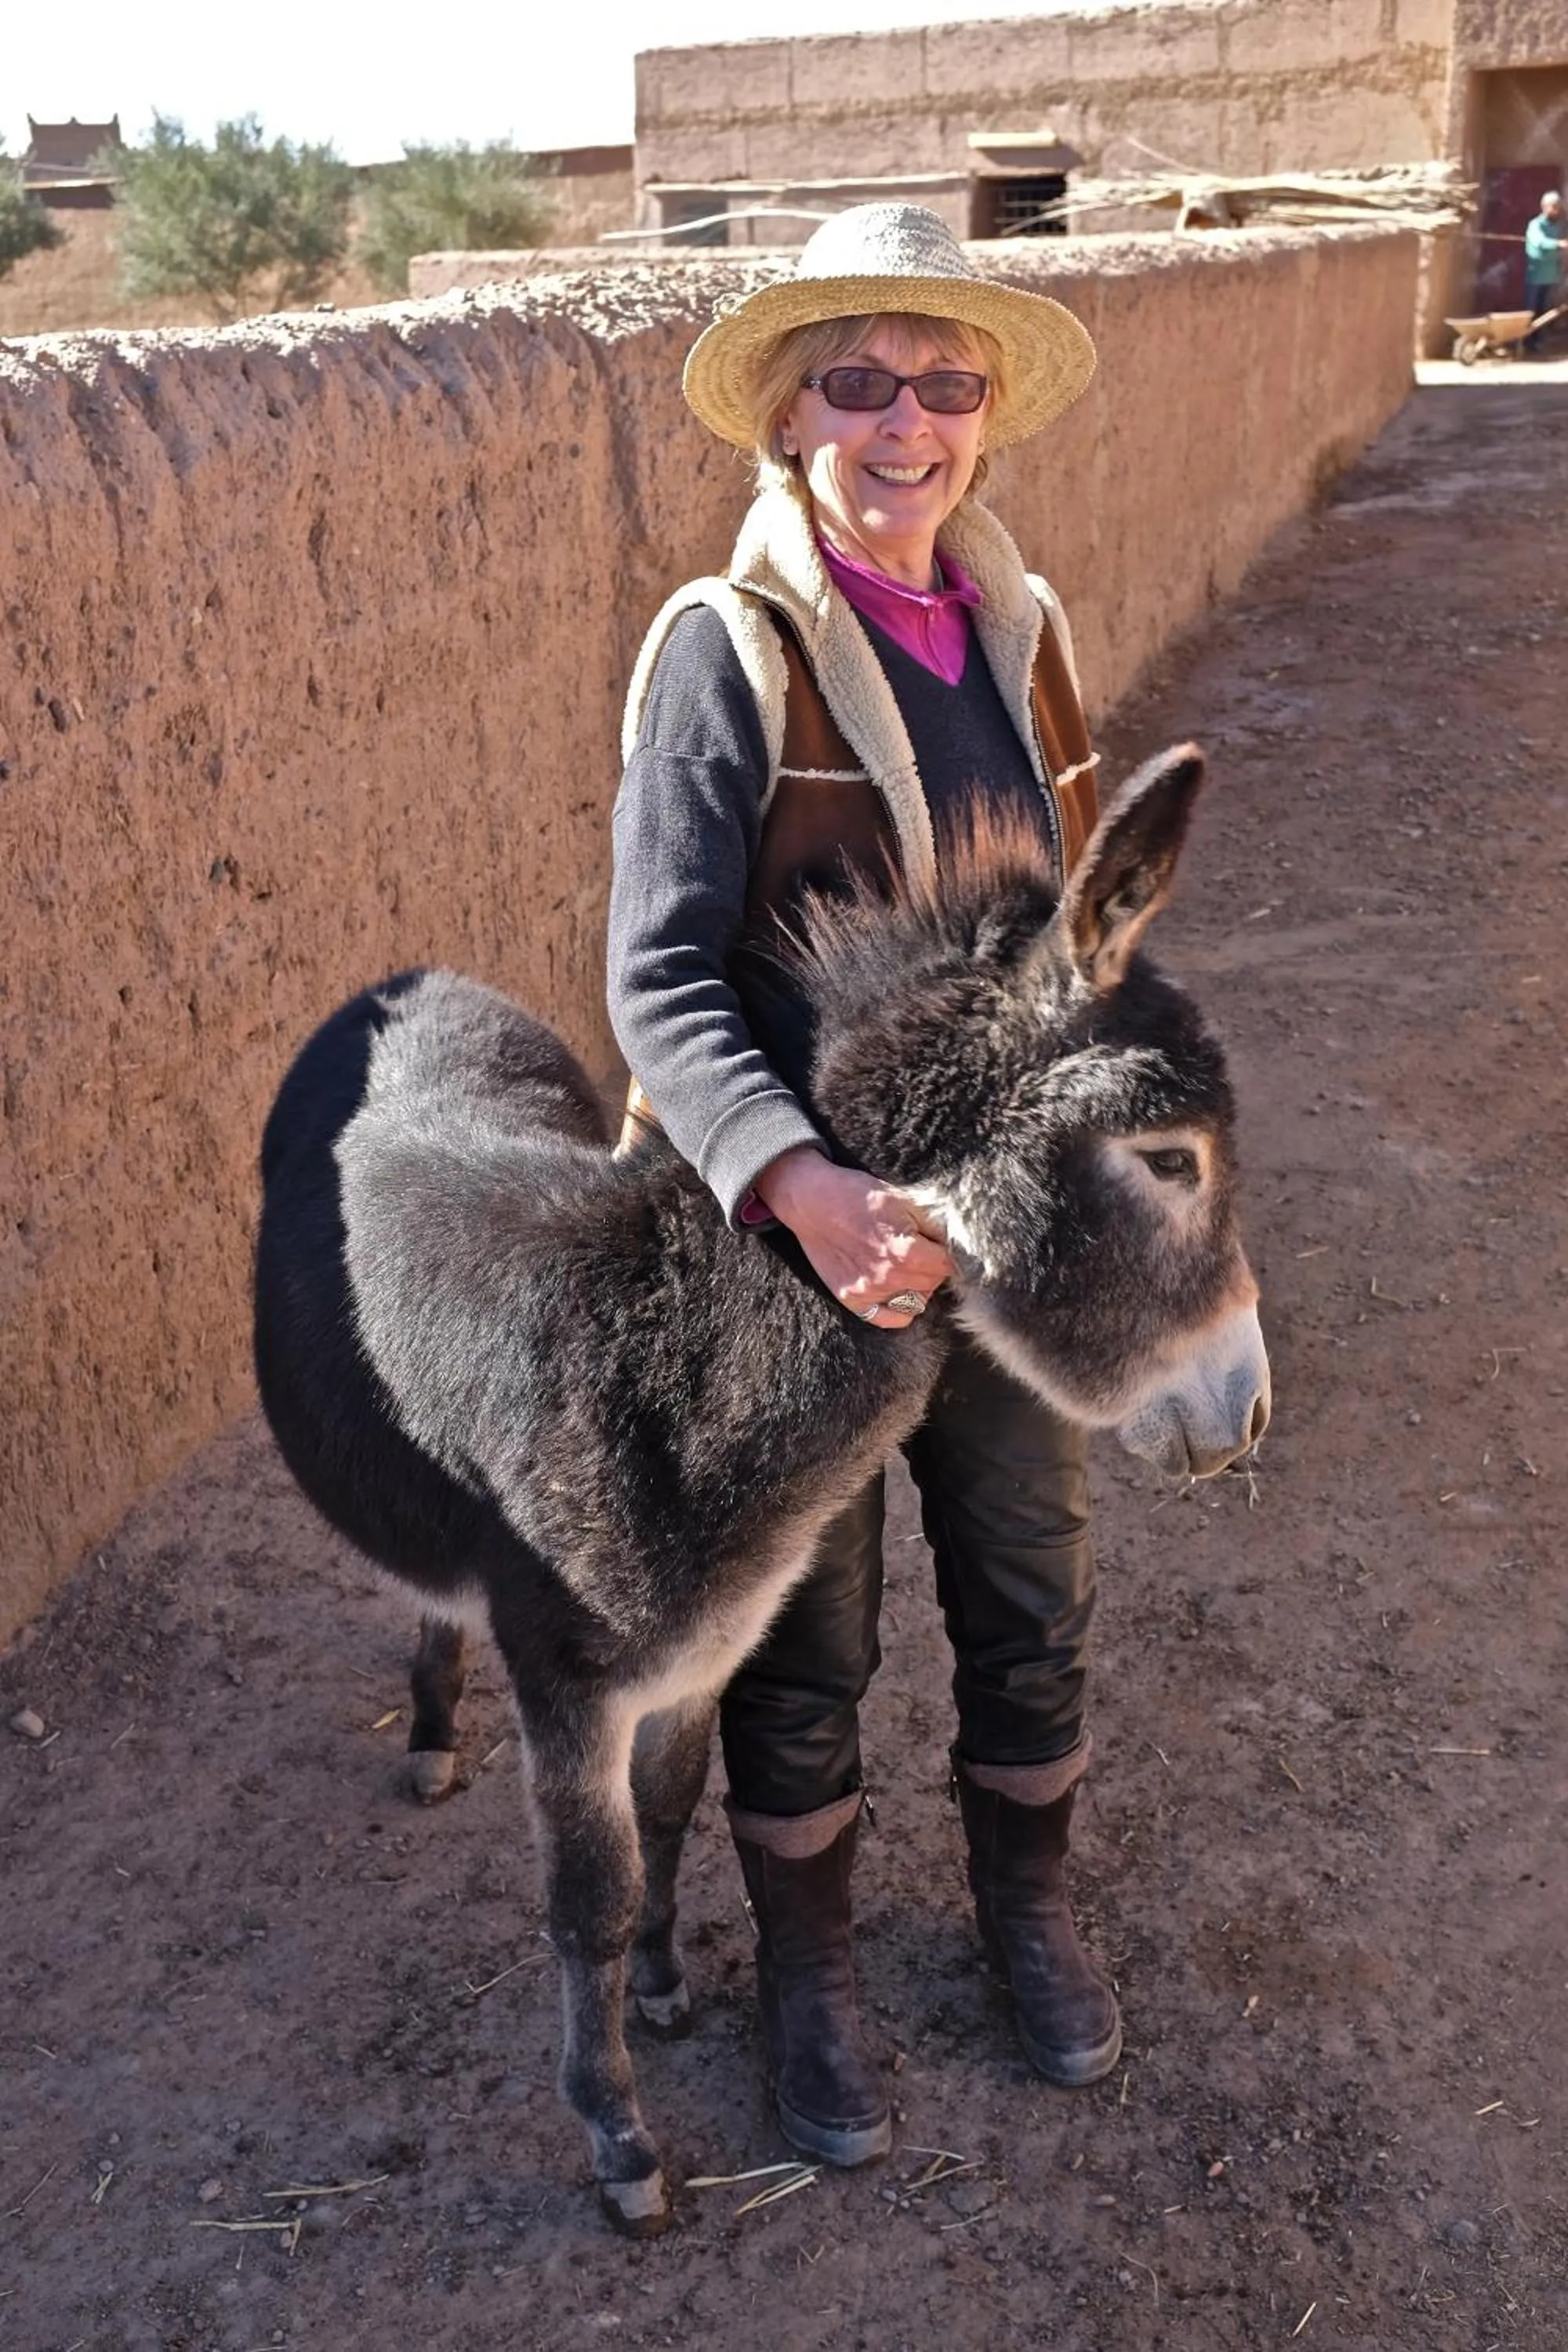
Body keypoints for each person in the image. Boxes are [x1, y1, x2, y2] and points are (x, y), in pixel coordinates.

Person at [608, 204, 1118, 2169]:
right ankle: (805, 1973)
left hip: (992, 1239)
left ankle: (1024, 1911)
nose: (902, 421)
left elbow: (1068, 930)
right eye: (857, 381)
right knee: (805, 1642)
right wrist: (804, 1186)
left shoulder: (1022, 630)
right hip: (792, 1251)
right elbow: (655, 977)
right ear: (789, 417)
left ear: (982, 418)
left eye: (942, 381)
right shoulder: (724, 654)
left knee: (1025, 1586)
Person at [1523, 189, 1565, 352]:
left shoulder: (1559, 226)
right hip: (1536, 277)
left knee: (1545, 312)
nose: (1556, 210)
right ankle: (1527, 342)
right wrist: (1558, 244)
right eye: (1553, 206)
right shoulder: (1535, 225)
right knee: (1531, 310)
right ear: (1544, 207)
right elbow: (1539, 242)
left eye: (1558, 206)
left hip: (1551, 276)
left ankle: (1539, 342)